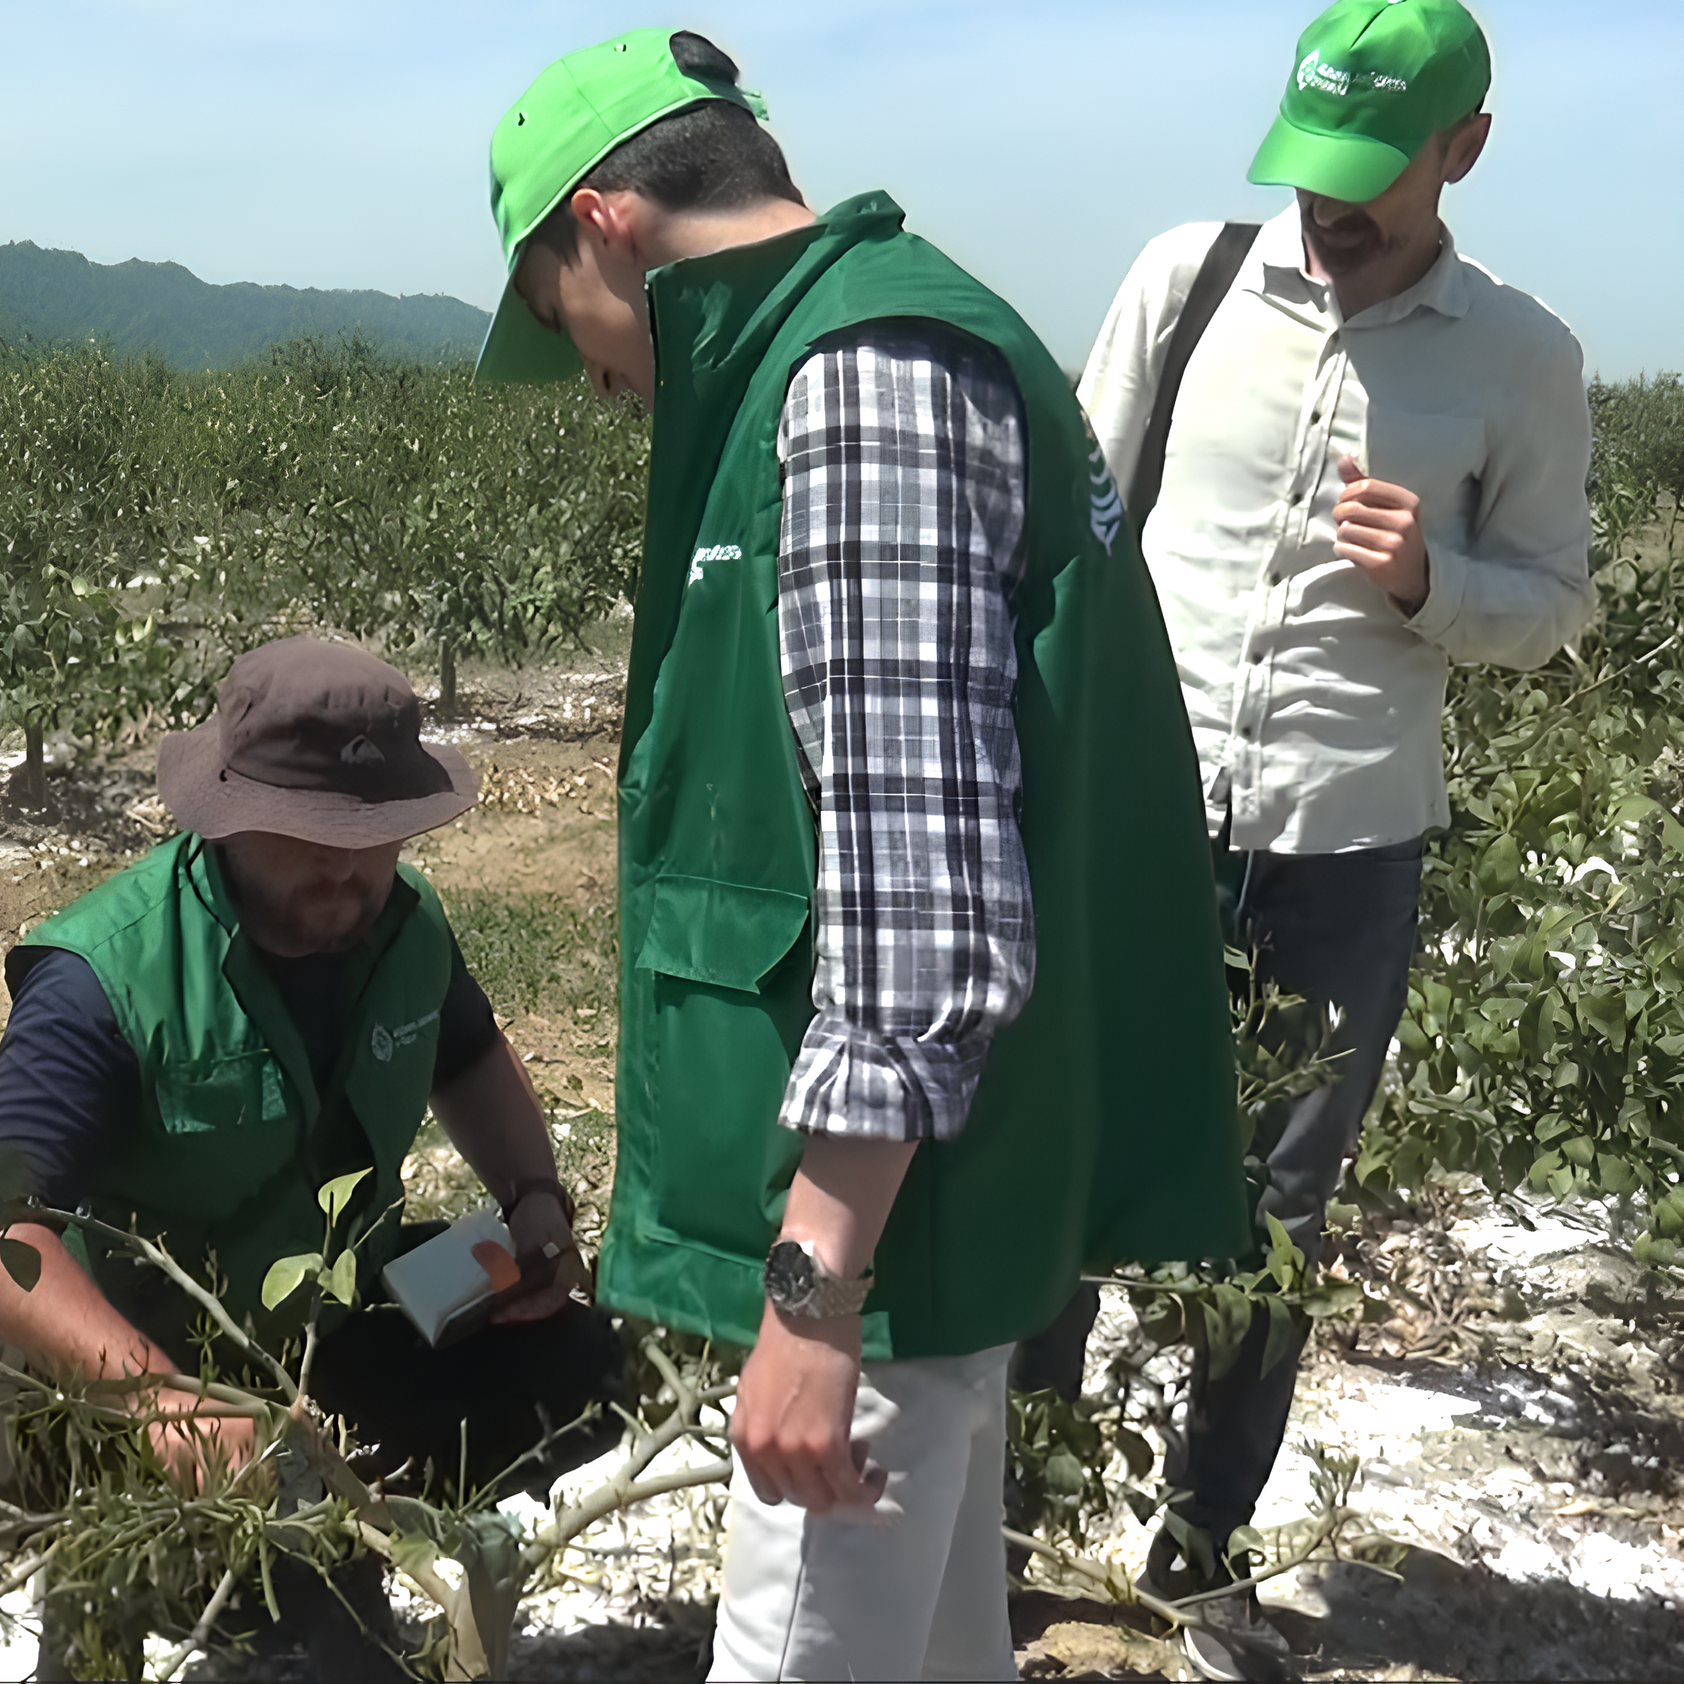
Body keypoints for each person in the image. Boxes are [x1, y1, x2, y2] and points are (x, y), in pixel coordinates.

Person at [476, 29, 1249, 1680]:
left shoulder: (854, 380)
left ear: (605, 224)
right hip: (930, 1223)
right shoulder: (881, 336)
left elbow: (921, 886)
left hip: (887, 1245)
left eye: (570, 329)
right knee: (940, 1646)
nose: (606, 382)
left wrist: (812, 1294)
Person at [1031, 3, 1592, 1674]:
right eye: (1312, 168)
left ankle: (1202, 1558)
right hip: (1140, 820)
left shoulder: (1521, 358)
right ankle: (1013, 1520)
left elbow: (1554, 603)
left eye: (1373, 177)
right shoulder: (1186, 283)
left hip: (1346, 845)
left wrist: (1433, 580)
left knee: (1271, 1218)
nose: (1330, 208)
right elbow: (1075, 500)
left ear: (1462, 150)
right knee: (1063, 1161)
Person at [0, 636, 626, 1678]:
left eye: (375, 835)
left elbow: (472, 1053)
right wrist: (161, 1396)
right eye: (311, 835)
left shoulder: (402, 927)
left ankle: (353, 1526)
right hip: (132, 1360)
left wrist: (534, 1204)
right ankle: (126, 1591)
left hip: (328, 1314)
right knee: (263, 1584)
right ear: (229, 812)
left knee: (581, 1360)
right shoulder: (107, 976)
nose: (346, 865)